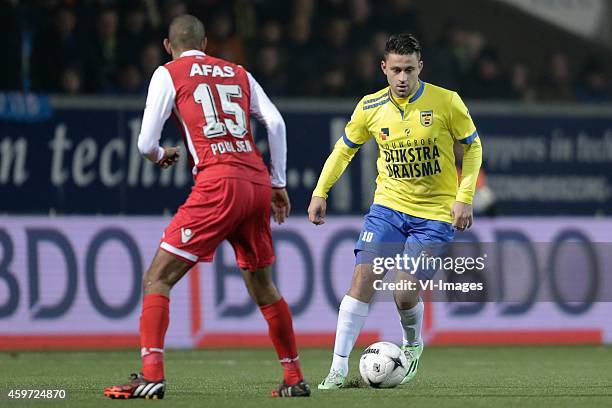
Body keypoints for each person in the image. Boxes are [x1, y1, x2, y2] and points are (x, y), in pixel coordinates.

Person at [103, 14, 310, 399]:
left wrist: (162, 153)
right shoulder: (239, 72)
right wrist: (278, 182)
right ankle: (294, 378)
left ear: (169, 45)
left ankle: (152, 374)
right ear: (207, 43)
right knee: (262, 284)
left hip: (218, 183)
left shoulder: (169, 72)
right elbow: (276, 124)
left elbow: (145, 144)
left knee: (157, 279)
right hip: (256, 182)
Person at [309, 33, 482, 389]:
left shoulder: (447, 102)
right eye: (396, 70)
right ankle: (338, 370)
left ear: (421, 67)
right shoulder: (370, 108)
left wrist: (465, 196)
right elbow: (344, 151)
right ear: (383, 68)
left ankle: (413, 344)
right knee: (362, 280)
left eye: (409, 70)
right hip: (388, 207)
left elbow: (473, 146)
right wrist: (320, 191)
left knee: (403, 292)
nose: (403, 78)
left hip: (435, 214)